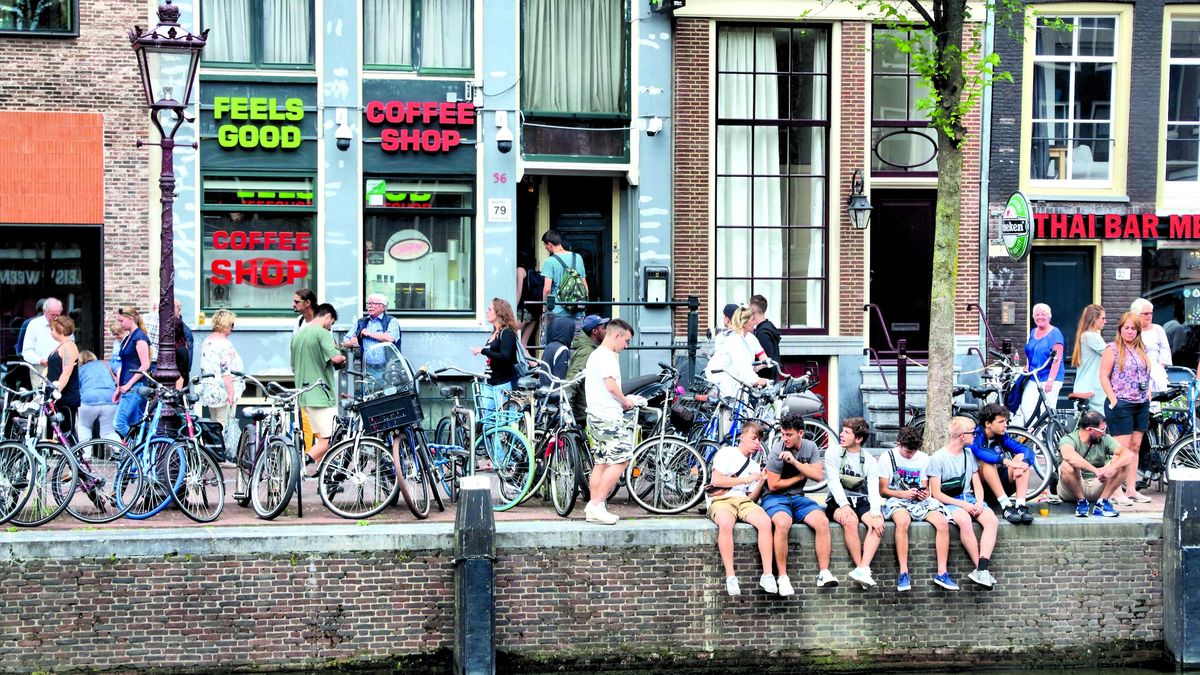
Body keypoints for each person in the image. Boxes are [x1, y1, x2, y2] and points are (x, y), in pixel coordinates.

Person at [761, 412, 835, 593]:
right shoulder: (777, 450)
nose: (784, 438)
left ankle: (824, 573)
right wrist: (800, 476)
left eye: (789, 434)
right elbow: (773, 484)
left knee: (822, 521)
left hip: (798, 498)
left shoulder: (810, 447)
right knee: (782, 523)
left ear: (800, 433)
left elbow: (817, 475)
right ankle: (783, 578)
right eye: (783, 434)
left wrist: (794, 462)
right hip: (774, 498)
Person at [876, 426, 956, 592]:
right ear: (899, 444)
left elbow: (925, 488)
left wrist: (923, 494)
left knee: (942, 523)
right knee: (902, 522)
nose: (910, 455)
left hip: (918, 502)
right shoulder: (887, 457)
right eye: (907, 451)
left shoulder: (924, 458)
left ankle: (942, 572)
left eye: (914, 452)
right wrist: (903, 494)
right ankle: (903, 572)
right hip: (897, 500)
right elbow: (882, 490)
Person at [927, 417, 1001, 589]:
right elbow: (936, 493)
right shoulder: (937, 458)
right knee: (965, 521)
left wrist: (980, 502)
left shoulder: (969, 455)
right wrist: (963, 505)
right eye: (973, 433)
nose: (975, 435)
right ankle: (980, 569)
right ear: (962, 436)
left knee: (992, 520)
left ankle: (982, 569)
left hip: (970, 498)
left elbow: (977, 484)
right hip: (951, 501)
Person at [706, 422, 776, 596]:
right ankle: (731, 576)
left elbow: (751, 498)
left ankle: (767, 575)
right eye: (753, 438)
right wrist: (746, 479)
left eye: (759, 440)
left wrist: (761, 481)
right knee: (726, 523)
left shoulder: (754, 465)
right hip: (722, 500)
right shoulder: (727, 453)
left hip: (743, 501)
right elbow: (717, 481)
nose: (757, 442)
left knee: (765, 522)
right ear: (742, 437)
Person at [582, 318, 640, 525]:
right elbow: (611, 385)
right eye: (626, 340)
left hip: (594, 415)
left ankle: (593, 507)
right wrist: (626, 401)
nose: (626, 346)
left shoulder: (595, 355)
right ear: (616, 335)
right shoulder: (607, 356)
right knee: (621, 460)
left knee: (601, 462)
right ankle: (597, 504)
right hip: (608, 417)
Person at [1099, 311, 1153, 506]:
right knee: (1121, 450)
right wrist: (1114, 400)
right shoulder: (1112, 349)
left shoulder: (1142, 349)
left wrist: (1148, 393)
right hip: (1121, 403)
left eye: (1133, 329)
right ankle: (1115, 491)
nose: (1130, 332)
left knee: (1135, 447)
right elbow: (1103, 376)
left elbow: (1146, 374)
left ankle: (1131, 489)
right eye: (1126, 328)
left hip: (1141, 402)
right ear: (1120, 329)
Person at [823, 417, 884, 587]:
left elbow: (873, 489)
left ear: (858, 439)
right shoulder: (833, 453)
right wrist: (844, 505)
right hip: (838, 501)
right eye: (842, 431)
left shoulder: (869, 460)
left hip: (861, 500)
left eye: (846, 433)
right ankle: (860, 568)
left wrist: (876, 513)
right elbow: (833, 482)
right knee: (850, 521)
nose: (841, 435)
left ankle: (863, 568)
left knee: (878, 524)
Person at [292, 303, 346, 466]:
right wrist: (342, 356)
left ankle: (322, 475)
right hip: (321, 394)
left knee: (321, 437)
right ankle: (298, 465)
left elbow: (293, 366)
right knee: (330, 439)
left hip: (303, 395)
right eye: (332, 323)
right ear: (328, 316)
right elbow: (336, 358)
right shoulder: (323, 334)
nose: (330, 327)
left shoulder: (298, 336)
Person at [966, 403, 1036, 524]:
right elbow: (979, 452)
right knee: (987, 462)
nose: (1005, 425)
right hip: (980, 491)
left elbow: (1026, 450)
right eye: (1001, 422)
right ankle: (1006, 507)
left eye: (1006, 421)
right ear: (988, 423)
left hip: (1001, 484)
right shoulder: (975, 435)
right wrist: (1009, 462)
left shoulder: (1002, 436)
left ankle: (1020, 506)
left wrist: (1024, 463)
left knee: (1021, 457)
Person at [1056, 410, 1132, 517]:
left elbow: (1128, 454)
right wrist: (1095, 470)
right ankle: (1081, 502)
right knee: (1066, 465)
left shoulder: (1105, 438)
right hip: (1071, 489)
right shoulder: (1069, 439)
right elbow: (1068, 456)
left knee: (1123, 462)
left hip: (1098, 484)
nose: (1104, 432)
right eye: (1102, 429)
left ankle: (1101, 502)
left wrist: (1111, 468)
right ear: (1090, 430)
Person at [198, 309, 245, 460]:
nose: (232, 328)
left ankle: (214, 455)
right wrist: (231, 392)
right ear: (225, 324)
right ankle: (222, 456)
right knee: (224, 424)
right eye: (232, 324)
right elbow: (226, 371)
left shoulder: (207, 341)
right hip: (222, 390)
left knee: (214, 423)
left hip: (209, 389)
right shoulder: (225, 344)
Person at [704, 305, 769, 400]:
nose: (755, 323)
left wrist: (752, 376)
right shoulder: (734, 340)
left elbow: (742, 366)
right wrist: (755, 379)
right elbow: (741, 365)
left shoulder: (736, 338)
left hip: (736, 383)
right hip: (726, 386)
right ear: (744, 323)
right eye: (752, 320)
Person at [1018, 303, 1065, 426]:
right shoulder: (1033, 332)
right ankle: (1033, 434)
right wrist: (1027, 367)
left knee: (1046, 411)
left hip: (1050, 377)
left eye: (1043, 314)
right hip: (1034, 377)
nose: (1040, 317)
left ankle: (1047, 435)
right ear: (1033, 317)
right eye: (1037, 314)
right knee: (1027, 407)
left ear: (1049, 316)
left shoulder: (1055, 333)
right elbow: (1031, 352)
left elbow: (1057, 359)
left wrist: (1051, 380)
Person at [472, 298, 521, 414]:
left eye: (490, 310)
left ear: (499, 312)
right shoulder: (495, 332)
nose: (486, 312)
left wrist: (483, 351)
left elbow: (505, 357)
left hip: (502, 384)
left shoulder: (507, 333)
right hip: (489, 383)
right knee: (487, 419)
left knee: (504, 420)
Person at [343, 293, 401, 385]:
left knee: (386, 392)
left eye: (374, 303)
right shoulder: (361, 322)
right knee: (367, 392)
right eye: (369, 303)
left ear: (383, 307)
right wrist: (352, 342)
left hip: (386, 368)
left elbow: (390, 338)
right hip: (366, 368)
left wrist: (368, 334)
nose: (370, 306)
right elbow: (345, 341)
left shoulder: (391, 321)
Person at [112, 306, 152, 438]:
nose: (120, 324)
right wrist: (119, 388)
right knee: (132, 423)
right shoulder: (128, 337)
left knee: (119, 423)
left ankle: (136, 448)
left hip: (134, 386)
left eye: (121, 321)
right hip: (128, 386)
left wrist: (128, 384)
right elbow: (124, 364)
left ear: (130, 319)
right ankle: (137, 447)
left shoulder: (139, 338)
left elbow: (145, 365)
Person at [566, 314, 608, 426]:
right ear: (595, 331)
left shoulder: (592, 349)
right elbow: (573, 379)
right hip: (584, 413)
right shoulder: (587, 352)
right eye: (603, 328)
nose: (606, 331)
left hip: (587, 410)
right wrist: (568, 410)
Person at [540, 229, 588, 325]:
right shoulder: (578, 257)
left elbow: (547, 289)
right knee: (576, 334)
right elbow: (584, 284)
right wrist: (583, 304)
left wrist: (544, 309)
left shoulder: (549, 261)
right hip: (577, 310)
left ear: (549, 244)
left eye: (546, 247)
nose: (546, 249)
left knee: (557, 335)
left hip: (558, 311)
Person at [46, 315, 81, 436]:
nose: (50, 333)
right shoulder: (59, 346)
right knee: (52, 430)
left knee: (66, 432)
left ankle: (74, 449)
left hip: (65, 396)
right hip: (54, 395)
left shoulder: (69, 346)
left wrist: (56, 392)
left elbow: (66, 372)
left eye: (52, 329)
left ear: (60, 329)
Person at [1070, 304, 1107, 414]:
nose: (1105, 321)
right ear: (1094, 319)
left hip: (1084, 386)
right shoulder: (1091, 336)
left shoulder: (1085, 335)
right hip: (1092, 391)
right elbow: (1111, 355)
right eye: (1103, 318)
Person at [75, 350, 119, 442]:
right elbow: (119, 372)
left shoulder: (80, 370)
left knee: (84, 427)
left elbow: (77, 388)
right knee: (108, 432)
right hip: (110, 399)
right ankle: (121, 450)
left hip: (88, 400)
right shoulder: (106, 364)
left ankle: (86, 451)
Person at [1132, 298, 1172, 394]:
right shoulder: (1132, 330)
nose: (1149, 316)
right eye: (1146, 313)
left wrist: (1160, 366)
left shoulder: (1158, 329)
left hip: (1157, 373)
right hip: (1137, 374)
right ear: (1137, 314)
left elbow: (1165, 349)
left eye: (1151, 313)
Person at [145, 300, 193, 370]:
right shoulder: (168, 323)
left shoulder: (184, 330)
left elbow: (186, 358)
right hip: (165, 365)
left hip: (170, 368)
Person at [21, 297, 65, 371]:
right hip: (39, 368)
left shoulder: (64, 325)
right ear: (44, 311)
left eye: (58, 315)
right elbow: (27, 351)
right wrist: (40, 360)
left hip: (61, 368)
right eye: (52, 315)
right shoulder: (34, 325)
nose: (55, 318)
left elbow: (70, 346)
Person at [748, 294, 781, 380]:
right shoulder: (769, 326)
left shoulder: (763, 333)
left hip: (765, 380)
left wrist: (753, 370)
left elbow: (768, 360)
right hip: (772, 378)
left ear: (752, 309)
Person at [515, 254, 544, 346]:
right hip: (534, 312)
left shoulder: (520, 270)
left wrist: (513, 308)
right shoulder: (534, 273)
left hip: (523, 312)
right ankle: (529, 357)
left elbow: (519, 292)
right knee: (523, 344)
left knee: (514, 339)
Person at [542, 314, 574, 380]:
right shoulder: (562, 349)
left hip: (545, 385)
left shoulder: (549, 346)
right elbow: (559, 379)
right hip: (554, 385)